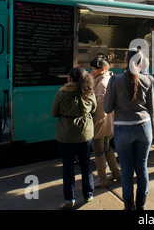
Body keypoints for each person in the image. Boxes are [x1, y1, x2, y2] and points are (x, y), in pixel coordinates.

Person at [103, 49, 154, 210]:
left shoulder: (115, 80)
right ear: (140, 63)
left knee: (126, 170)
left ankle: (128, 206)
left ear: (126, 60)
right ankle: (141, 205)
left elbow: (106, 108)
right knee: (142, 167)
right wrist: (153, 128)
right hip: (144, 127)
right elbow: (151, 107)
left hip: (123, 130)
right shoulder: (148, 80)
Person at [51, 67, 96, 209]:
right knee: (85, 164)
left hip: (66, 135)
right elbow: (94, 108)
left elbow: (54, 112)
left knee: (68, 166)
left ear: (70, 78)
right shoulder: (89, 91)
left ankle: (69, 199)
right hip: (85, 133)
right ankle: (88, 194)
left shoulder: (62, 92)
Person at [90, 57, 121, 188]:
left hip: (101, 123)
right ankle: (116, 173)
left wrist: (94, 122)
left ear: (102, 69)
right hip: (109, 122)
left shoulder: (102, 84)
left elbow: (100, 109)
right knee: (107, 148)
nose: (92, 72)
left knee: (98, 151)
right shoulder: (108, 79)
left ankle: (102, 178)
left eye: (94, 70)